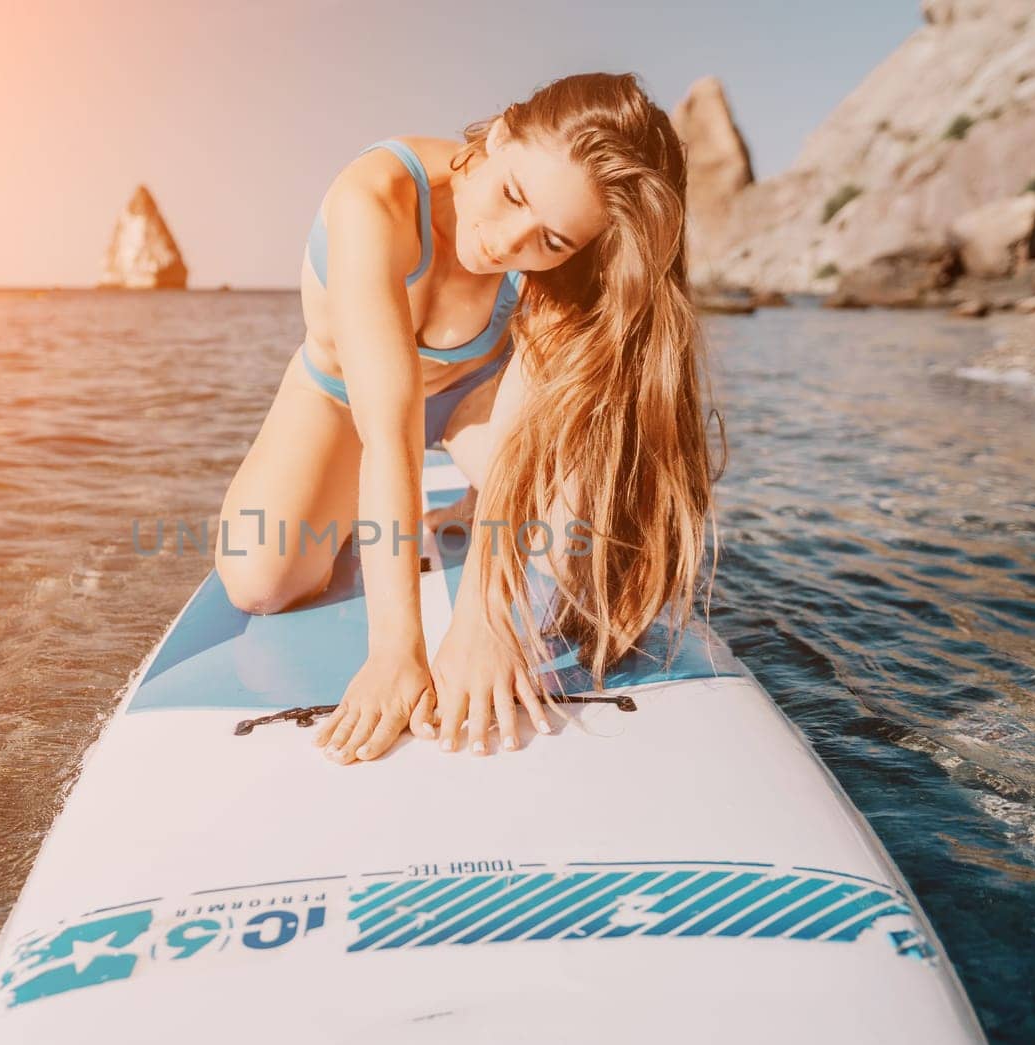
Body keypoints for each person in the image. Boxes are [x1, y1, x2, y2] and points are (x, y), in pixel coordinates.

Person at [214, 72, 725, 765]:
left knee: (577, 537)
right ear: (502, 132)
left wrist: (486, 619)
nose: (510, 242)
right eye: (512, 194)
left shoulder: (560, 261)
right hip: (343, 402)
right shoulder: (378, 201)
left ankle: (471, 505)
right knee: (261, 581)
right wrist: (398, 652)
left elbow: (525, 432)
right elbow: (389, 438)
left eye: (550, 239)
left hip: (471, 400)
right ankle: (345, 509)